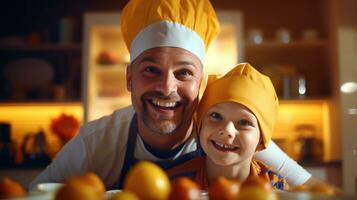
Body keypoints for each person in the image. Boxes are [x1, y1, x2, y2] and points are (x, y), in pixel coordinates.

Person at [30, 0, 315, 190]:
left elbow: (314, 192)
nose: (167, 88)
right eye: (151, 70)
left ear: (201, 83)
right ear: (130, 77)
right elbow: (34, 196)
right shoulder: (95, 143)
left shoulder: (225, 131)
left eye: (184, 73)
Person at [166, 63, 288, 190]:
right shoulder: (174, 184)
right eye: (216, 116)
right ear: (200, 125)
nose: (227, 130)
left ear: (261, 140)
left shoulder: (275, 186)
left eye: (244, 123)